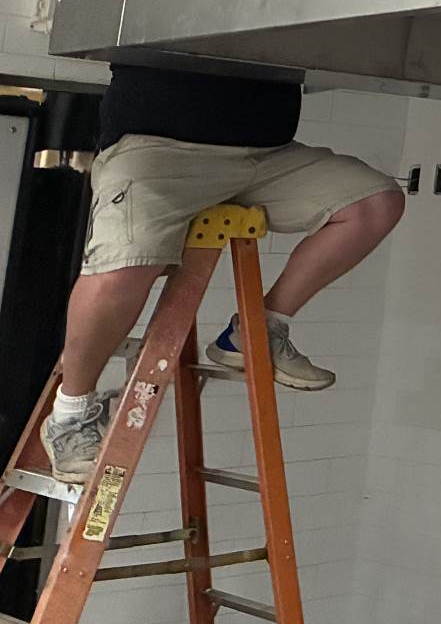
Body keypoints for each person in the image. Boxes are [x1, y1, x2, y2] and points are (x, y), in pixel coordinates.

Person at [38, 64, 406, 481]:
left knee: (375, 204)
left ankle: (256, 332)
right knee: (123, 268)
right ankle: (71, 416)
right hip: (158, 149)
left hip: (268, 155)